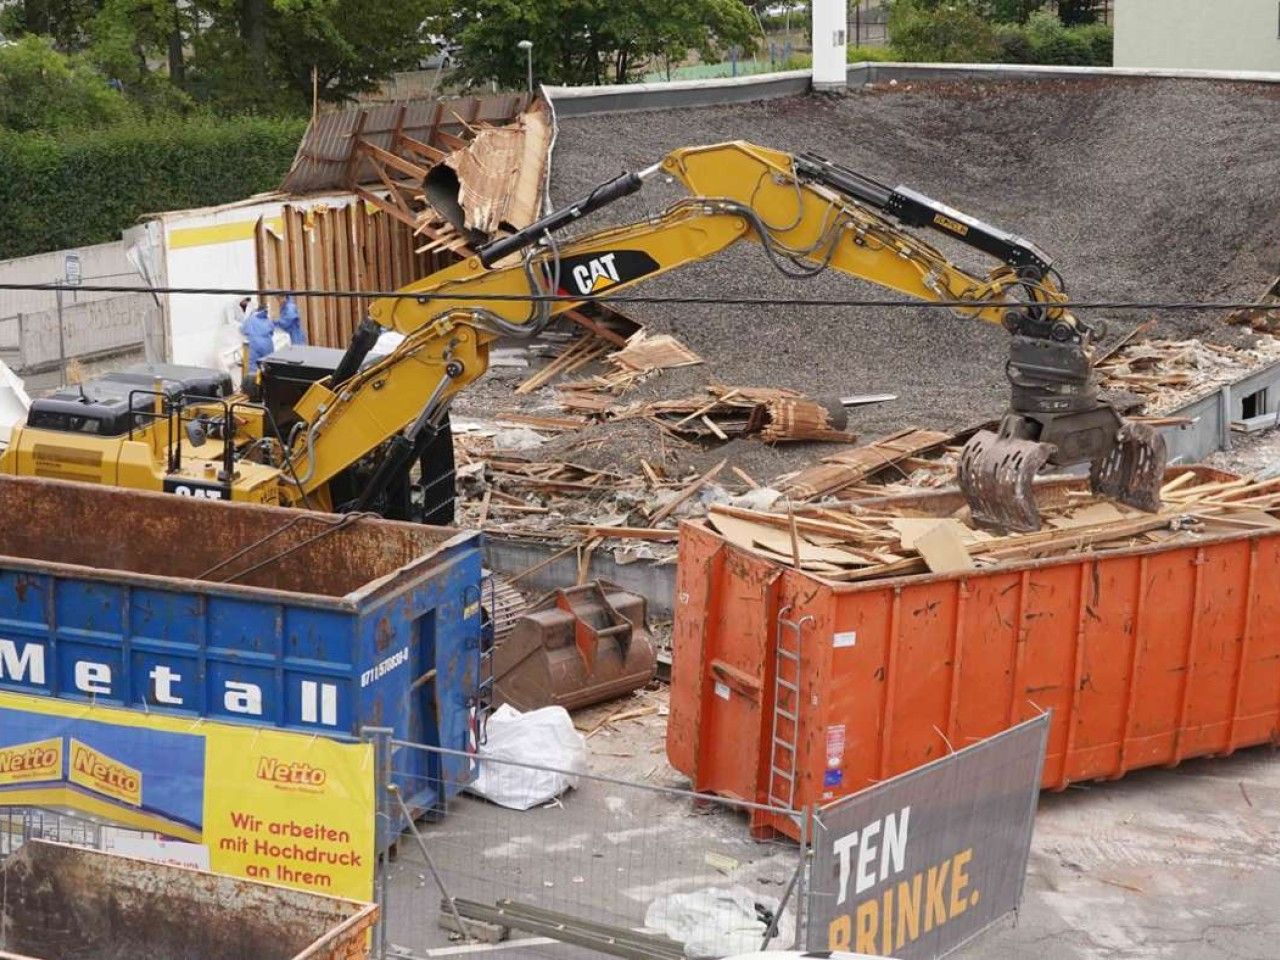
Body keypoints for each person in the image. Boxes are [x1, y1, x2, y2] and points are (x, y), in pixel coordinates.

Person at [241, 303, 276, 376]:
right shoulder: (268, 320)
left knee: (253, 368)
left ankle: (255, 385)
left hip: (254, 345)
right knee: (268, 367)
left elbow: (243, 330)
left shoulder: (250, 319)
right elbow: (272, 331)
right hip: (267, 345)